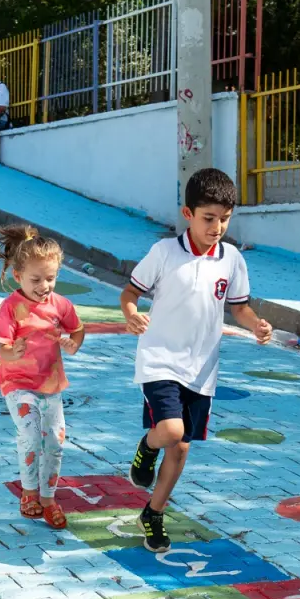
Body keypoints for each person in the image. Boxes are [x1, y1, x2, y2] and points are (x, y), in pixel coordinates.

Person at [120, 168, 273, 553]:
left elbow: (239, 308)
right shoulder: (164, 253)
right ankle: (147, 448)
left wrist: (257, 325)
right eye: (209, 218)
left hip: (202, 369)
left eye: (225, 218)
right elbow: (130, 293)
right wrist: (131, 314)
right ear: (188, 214)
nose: (217, 227)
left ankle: (153, 514)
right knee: (170, 432)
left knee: (182, 448)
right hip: (159, 359)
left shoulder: (231, 259)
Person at [0, 224, 84, 529]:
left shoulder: (60, 305)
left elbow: (78, 329)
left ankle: (48, 499)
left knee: (55, 440)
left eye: (50, 278)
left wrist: (73, 343)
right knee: (30, 432)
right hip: (16, 381)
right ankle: (29, 493)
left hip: (50, 382)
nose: (44, 286)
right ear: (18, 276)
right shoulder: (9, 309)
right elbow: (3, 352)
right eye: (36, 280)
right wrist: (14, 350)